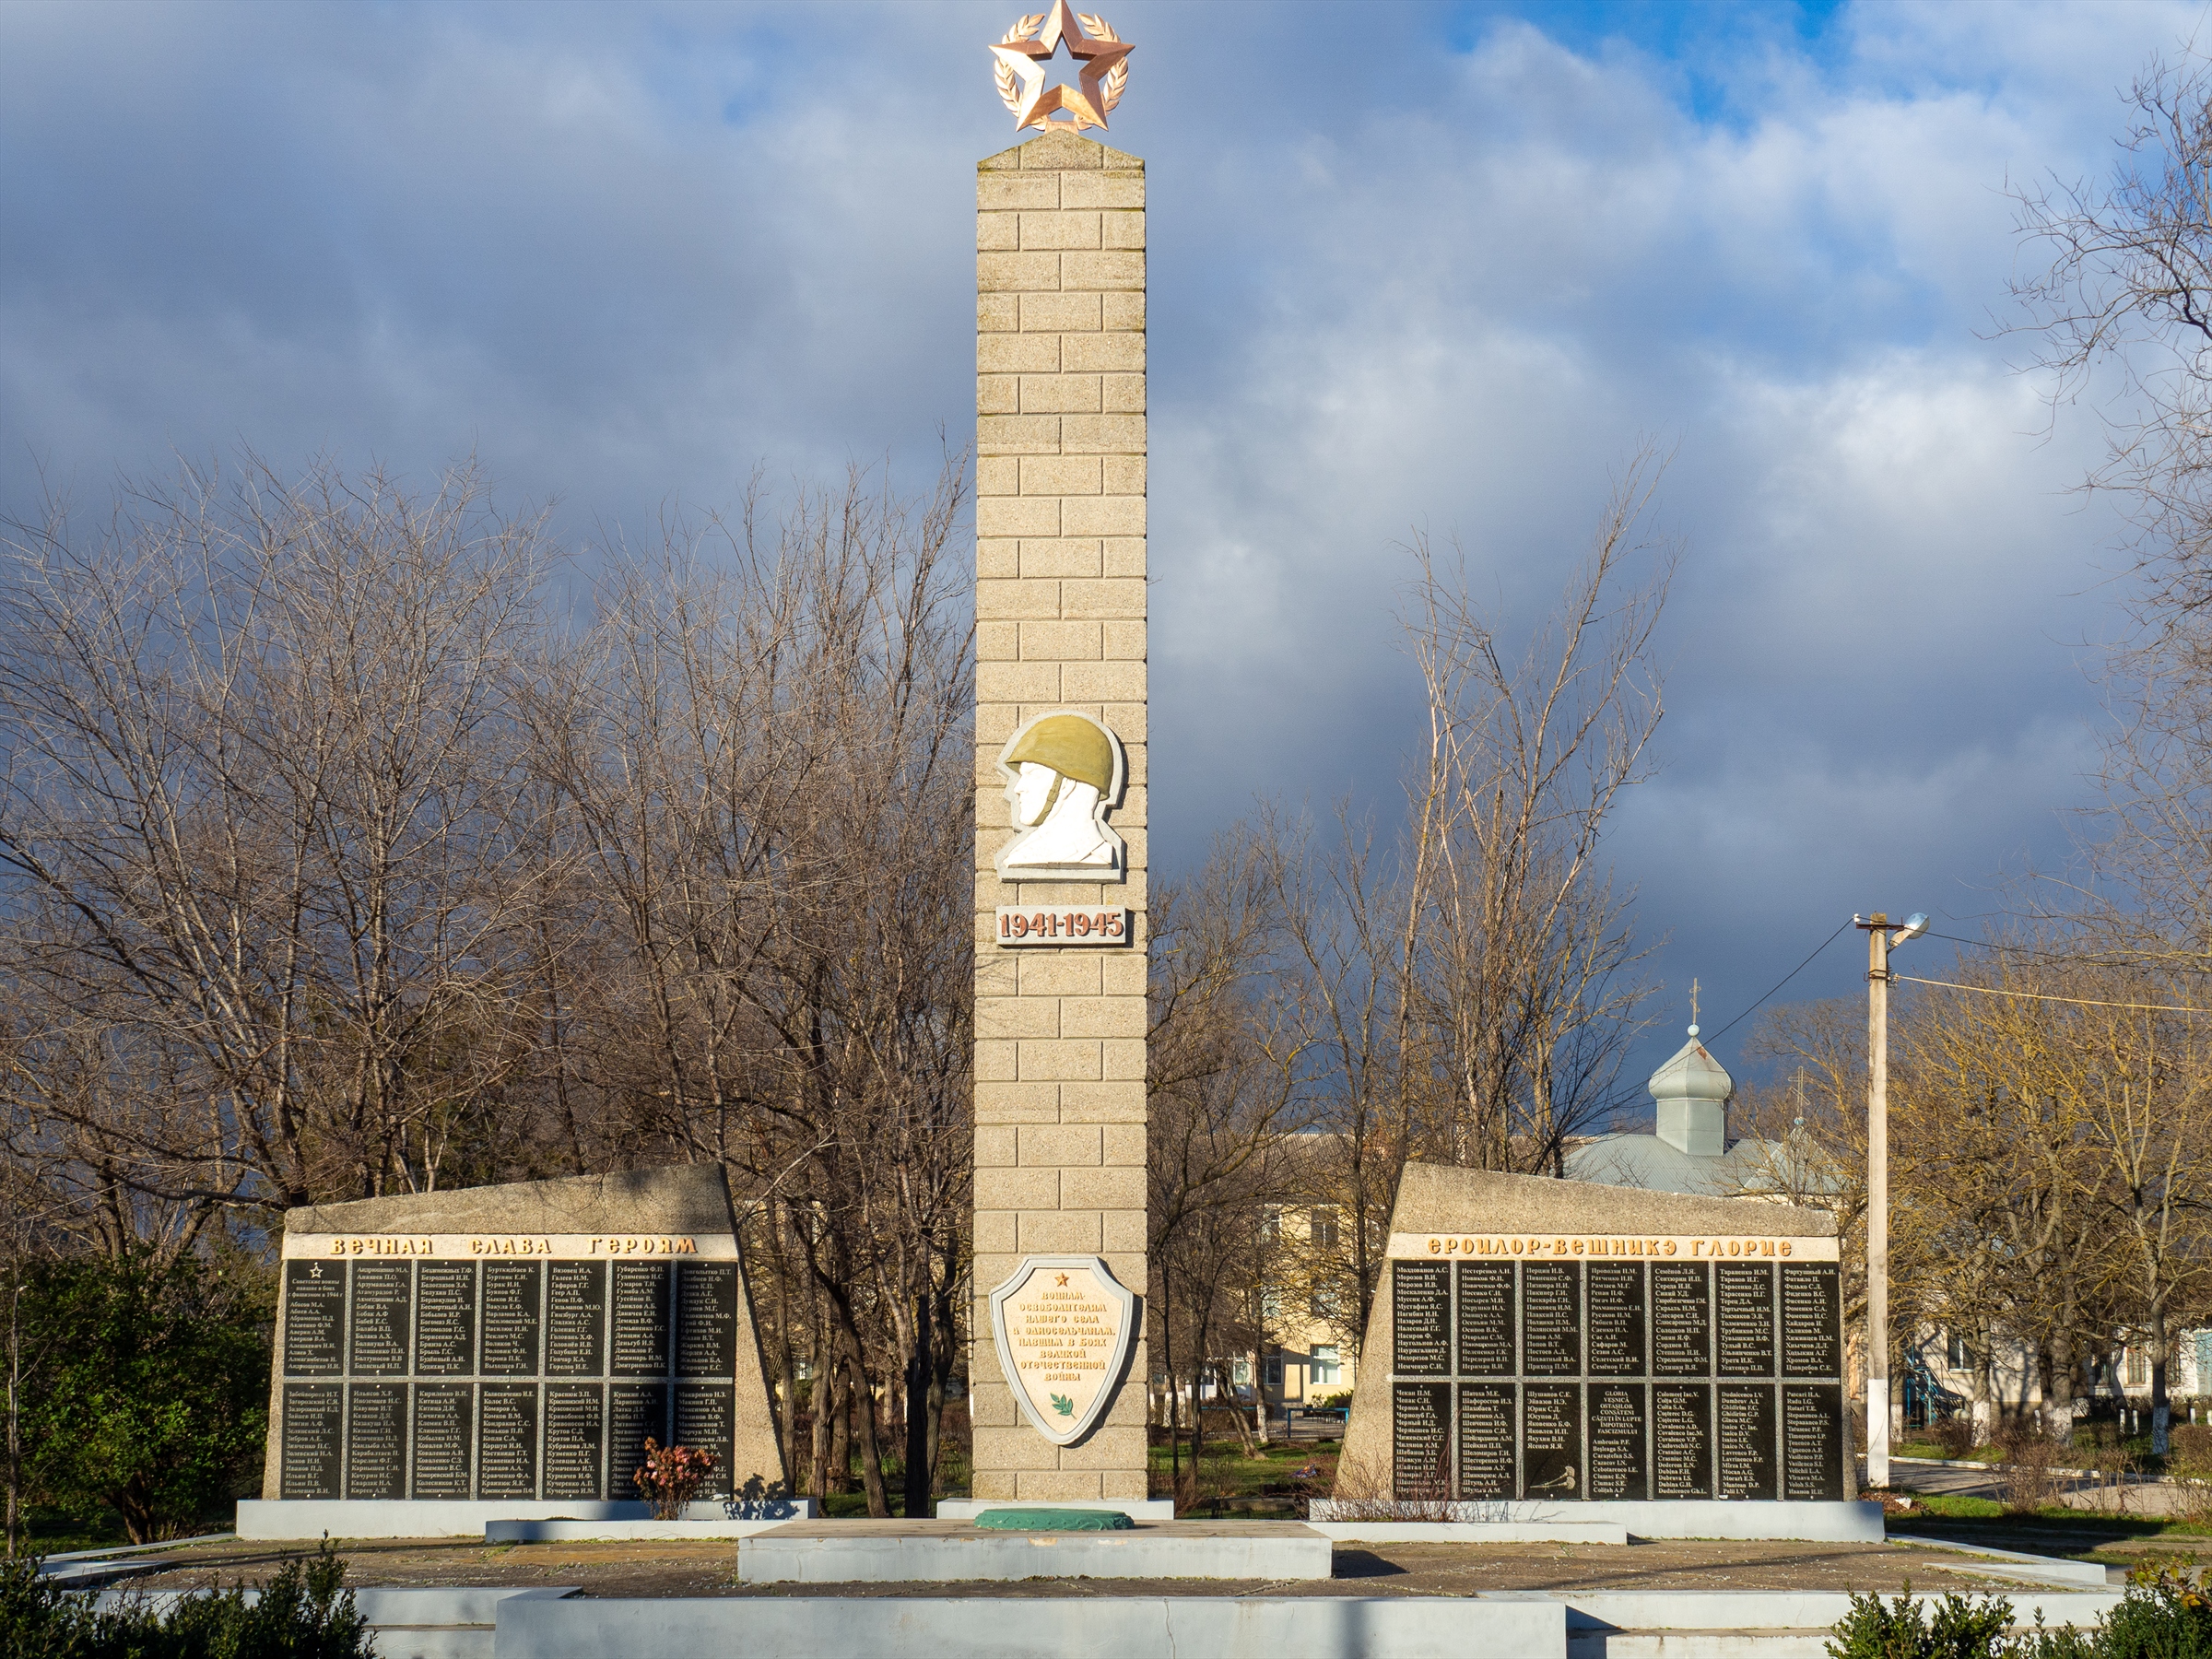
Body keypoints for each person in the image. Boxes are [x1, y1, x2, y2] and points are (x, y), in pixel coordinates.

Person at [997, 712, 1123, 873]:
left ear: (1068, 784)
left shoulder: (1096, 855)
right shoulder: (1023, 853)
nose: (1018, 788)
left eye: (1033, 774)